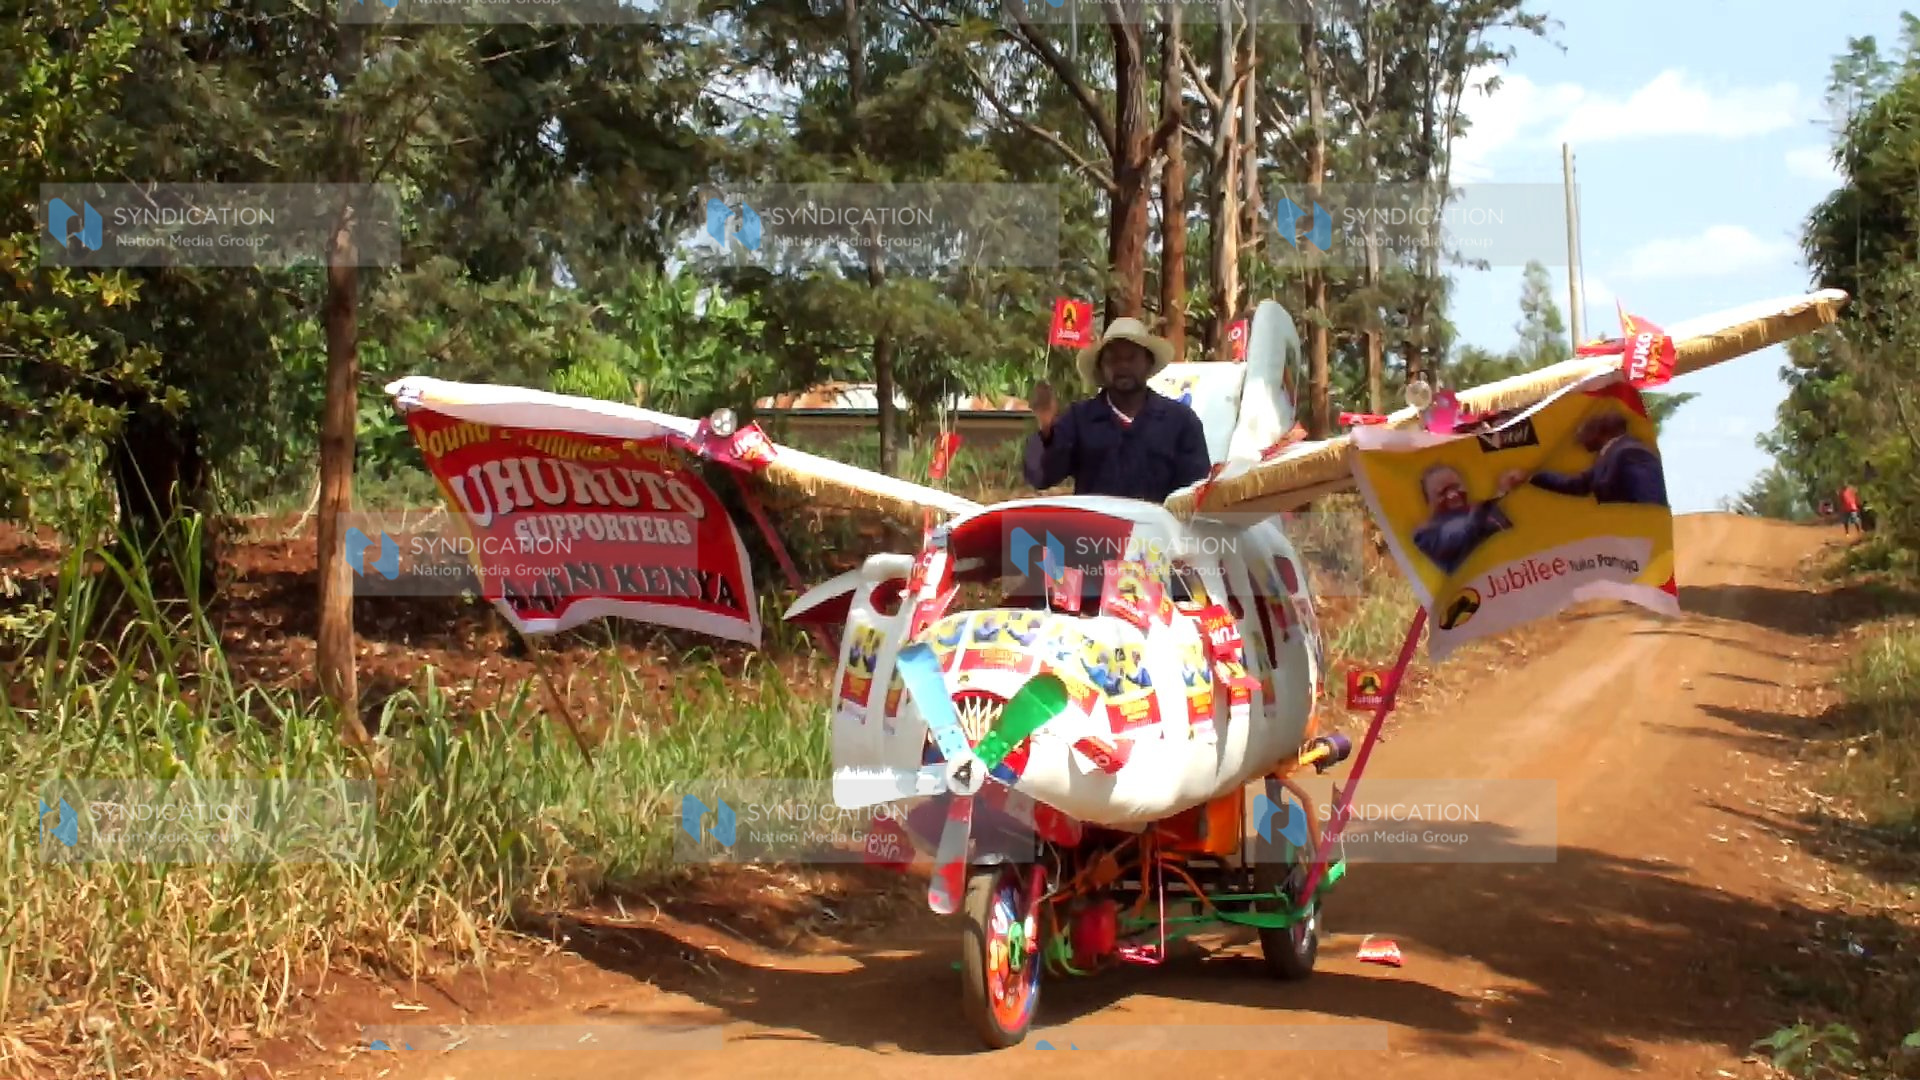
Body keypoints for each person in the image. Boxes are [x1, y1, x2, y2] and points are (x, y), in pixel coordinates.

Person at [1024, 317, 1212, 503]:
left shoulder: (1181, 422)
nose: (1122, 366)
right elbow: (1040, 478)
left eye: (1131, 358)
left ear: (1148, 363)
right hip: (1094, 531)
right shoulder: (1079, 419)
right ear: (1101, 367)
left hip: (1159, 532)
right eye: (1112, 359)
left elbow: (1196, 493)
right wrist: (1046, 429)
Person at [1519, 409, 1668, 507]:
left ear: (1598, 432)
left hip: (1639, 540)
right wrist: (1531, 475)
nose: (1580, 441)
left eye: (1583, 434)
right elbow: (1577, 484)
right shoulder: (1610, 455)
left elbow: (1650, 502)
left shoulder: (1631, 453)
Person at [1412, 464, 1519, 575]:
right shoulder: (1425, 534)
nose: (1452, 495)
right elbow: (1458, 534)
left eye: (1455, 487)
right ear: (1428, 501)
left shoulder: (1485, 510)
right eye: (1442, 493)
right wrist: (1500, 493)